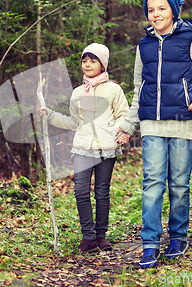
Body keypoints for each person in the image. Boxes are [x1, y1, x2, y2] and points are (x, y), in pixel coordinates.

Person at [115, 0, 192, 268]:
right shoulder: (144, 46)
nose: (156, 14)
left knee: (178, 183)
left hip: (183, 121)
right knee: (152, 183)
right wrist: (128, 124)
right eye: (151, 10)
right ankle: (150, 243)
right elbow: (140, 89)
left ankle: (178, 236)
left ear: (173, 11)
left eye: (161, 9)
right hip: (151, 123)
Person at [41, 43, 130, 253]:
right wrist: (51, 116)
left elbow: (124, 114)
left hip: (106, 148)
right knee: (81, 192)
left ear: (103, 64)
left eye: (93, 61)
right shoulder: (78, 92)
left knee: (102, 192)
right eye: (84, 61)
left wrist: (119, 131)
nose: (87, 65)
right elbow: (73, 122)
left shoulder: (113, 89)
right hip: (82, 148)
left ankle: (101, 236)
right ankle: (88, 237)